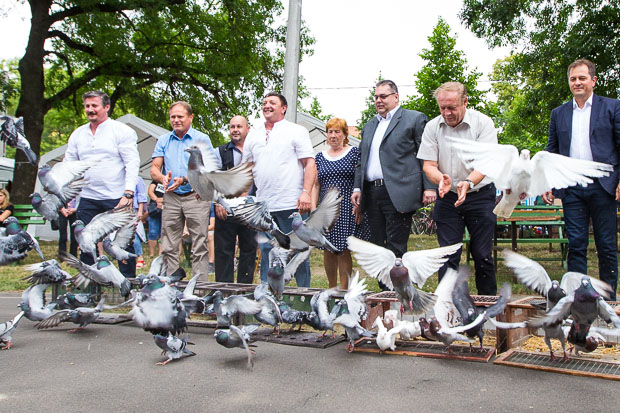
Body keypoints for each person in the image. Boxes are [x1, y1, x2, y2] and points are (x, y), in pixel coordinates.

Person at [543, 59, 620, 300]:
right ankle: (580, 301)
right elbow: (552, 151)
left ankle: (609, 301)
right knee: (576, 244)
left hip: (603, 186)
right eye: (573, 79)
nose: (577, 82)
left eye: (582, 78)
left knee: (606, 244)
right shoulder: (559, 113)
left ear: (593, 80)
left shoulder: (612, 107)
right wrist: (547, 181)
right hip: (572, 188)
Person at [351, 80, 435, 289]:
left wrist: (429, 186)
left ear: (396, 97)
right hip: (372, 192)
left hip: (398, 192)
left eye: (383, 96)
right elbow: (362, 160)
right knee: (378, 248)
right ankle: (384, 294)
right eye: (376, 97)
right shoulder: (369, 126)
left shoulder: (414, 119)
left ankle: (398, 294)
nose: (378, 100)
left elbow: (426, 155)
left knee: (396, 246)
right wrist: (358, 187)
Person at [417, 81, 498, 295]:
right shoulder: (432, 127)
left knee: (482, 254)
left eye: (452, 107)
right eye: (442, 107)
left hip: (480, 196)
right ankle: (447, 305)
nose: (447, 113)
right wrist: (441, 179)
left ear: (465, 102)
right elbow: (429, 165)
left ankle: (488, 304)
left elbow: (485, 164)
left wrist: (468, 182)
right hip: (448, 197)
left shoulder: (483, 124)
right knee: (447, 255)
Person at [241, 92, 316, 287]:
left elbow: (309, 163)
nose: (267, 105)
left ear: (283, 108)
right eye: (264, 102)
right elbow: (246, 170)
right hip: (264, 206)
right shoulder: (252, 135)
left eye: (272, 103)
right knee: (267, 251)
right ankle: (268, 294)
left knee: (298, 251)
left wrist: (306, 193)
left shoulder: (297, 131)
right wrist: (244, 201)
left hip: (291, 204)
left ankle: (303, 294)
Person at [64, 90, 140, 276]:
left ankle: (128, 283)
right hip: (88, 197)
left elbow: (132, 163)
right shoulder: (77, 134)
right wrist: (66, 195)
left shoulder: (121, 131)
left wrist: (128, 193)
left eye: (94, 106)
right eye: (87, 106)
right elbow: (69, 165)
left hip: (117, 197)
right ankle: (90, 283)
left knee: (122, 243)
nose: (90, 109)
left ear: (106, 107)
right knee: (85, 242)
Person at [151, 101, 215, 278]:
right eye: (173, 117)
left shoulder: (202, 139)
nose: (176, 120)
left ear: (190, 117)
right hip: (171, 196)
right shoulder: (163, 140)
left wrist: (185, 179)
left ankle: (199, 287)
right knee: (169, 244)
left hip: (196, 196)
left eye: (180, 116)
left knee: (199, 242)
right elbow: (154, 168)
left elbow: (207, 168)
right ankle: (171, 284)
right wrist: (162, 178)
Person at [312, 118, 370, 290]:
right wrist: (314, 209)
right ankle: (331, 289)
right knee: (328, 249)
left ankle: (344, 291)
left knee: (343, 249)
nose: (333, 135)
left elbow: (361, 179)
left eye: (337, 132)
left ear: (345, 135)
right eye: (330, 132)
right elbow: (315, 185)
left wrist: (360, 206)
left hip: (347, 208)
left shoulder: (353, 153)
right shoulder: (320, 157)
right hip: (326, 210)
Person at [213, 115, 257, 284]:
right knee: (223, 251)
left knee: (249, 251)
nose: (235, 130)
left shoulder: (256, 150)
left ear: (248, 129)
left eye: (239, 126)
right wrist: (218, 202)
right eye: (232, 127)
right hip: (226, 208)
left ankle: (244, 291)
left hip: (249, 209)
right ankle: (223, 291)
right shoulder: (220, 151)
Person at [147, 180, 164, 257]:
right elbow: (150, 192)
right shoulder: (156, 181)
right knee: (152, 232)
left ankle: (161, 253)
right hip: (154, 208)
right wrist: (157, 200)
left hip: (167, 207)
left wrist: (163, 200)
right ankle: (151, 254)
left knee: (163, 232)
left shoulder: (172, 181)